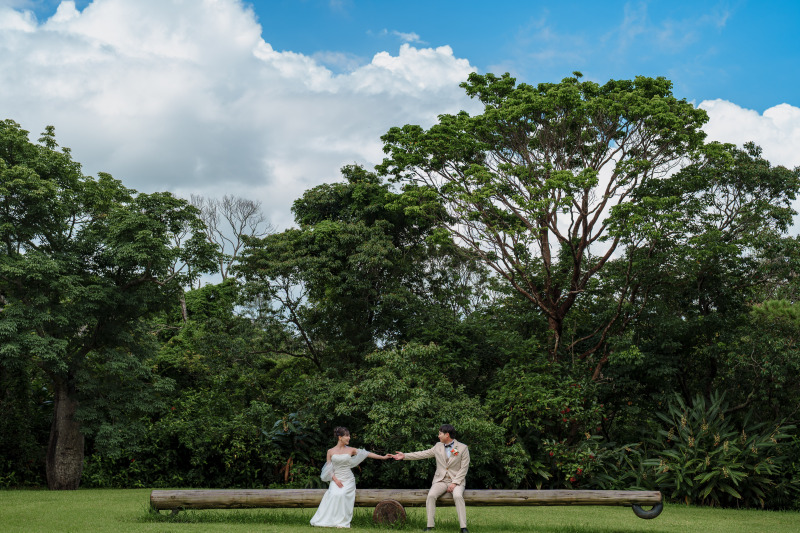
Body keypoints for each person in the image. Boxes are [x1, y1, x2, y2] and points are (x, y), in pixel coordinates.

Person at [393, 424, 470, 533]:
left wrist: (455, 483)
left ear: (447, 435)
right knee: (431, 495)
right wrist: (404, 456)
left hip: (457, 481)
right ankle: (430, 526)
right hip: (440, 480)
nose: (438, 436)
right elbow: (422, 454)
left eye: (440, 433)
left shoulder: (463, 448)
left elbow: (464, 468)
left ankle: (463, 527)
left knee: (457, 496)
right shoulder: (437, 446)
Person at [310, 426, 391, 528]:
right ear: (340, 437)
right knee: (334, 494)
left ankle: (341, 521)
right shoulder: (330, 451)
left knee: (342, 494)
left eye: (349, 436)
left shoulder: (351, 450)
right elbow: (329, 468)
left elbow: (367, 454)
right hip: (336, 479)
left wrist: (383, 457)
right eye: (347, 436)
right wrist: (335, 480)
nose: (349, 438)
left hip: (348, 479)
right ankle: (329, 520)